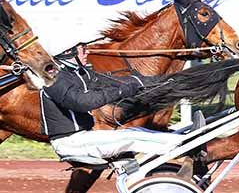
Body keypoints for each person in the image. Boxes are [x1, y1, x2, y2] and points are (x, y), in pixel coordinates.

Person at [40, 44, 184, 162]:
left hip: (85, 137)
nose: (87, 52)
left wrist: (160, 82)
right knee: (130, 138)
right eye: (83, 49)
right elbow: (82, 102)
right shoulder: (54, 80)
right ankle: (181, 146)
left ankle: (181, 141)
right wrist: (121, 92)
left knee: (135, 132)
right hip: (70, 143)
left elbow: (116, 82)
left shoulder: (78, 74)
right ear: (67, 52)